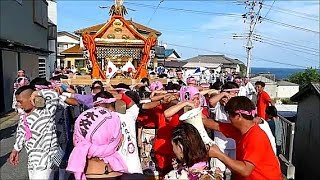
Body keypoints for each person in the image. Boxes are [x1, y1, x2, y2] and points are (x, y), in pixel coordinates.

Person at [203, 96, 282, 179]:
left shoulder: (256, 136)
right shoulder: (241, 130)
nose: (229, 118)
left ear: (238, 116)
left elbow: (245, 170)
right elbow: (216, 125)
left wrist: (218, 154)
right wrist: (197, 118)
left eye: (229, 115)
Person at [9, 85, 63, 180]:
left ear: (31, 99)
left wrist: (37, 93)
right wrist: (16, 150)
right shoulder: (23, 116)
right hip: (32, 161)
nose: (18, 104)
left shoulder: (46, 111)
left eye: (20, 101)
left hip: (46, 160)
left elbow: (54, 95)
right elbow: (21, 133)